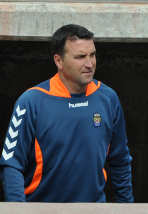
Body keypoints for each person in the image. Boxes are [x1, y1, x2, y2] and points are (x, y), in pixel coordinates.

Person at [0, 24, 134, 202]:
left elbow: (120, 160)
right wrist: (18, 210)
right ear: (58, 61)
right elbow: (11, 164)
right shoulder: (32, 101)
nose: (89, 64)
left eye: (92, 55)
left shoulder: (108, 98)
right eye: (80, 57)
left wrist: (127, 208)